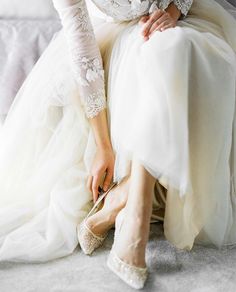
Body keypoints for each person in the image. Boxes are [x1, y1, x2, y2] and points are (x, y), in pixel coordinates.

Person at [0, 0, 236, 289]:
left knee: (179, 47)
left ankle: (127, 204)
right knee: (169, 52)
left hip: (179, 20)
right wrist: (103, 147)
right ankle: (134, 211)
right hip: (114, 46)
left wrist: (173, 12)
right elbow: (83, 52)